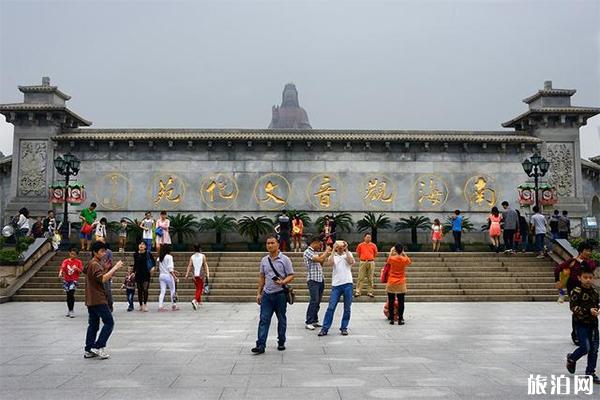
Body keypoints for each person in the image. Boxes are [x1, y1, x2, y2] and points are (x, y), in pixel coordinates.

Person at [252, 235, 294, 355]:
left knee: (281, 319)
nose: (269, 245)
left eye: (272, 243)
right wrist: (258, 293)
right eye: (268, 243)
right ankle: (260, 344)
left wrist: (283, 282)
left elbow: (291, 274)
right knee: (264, 319)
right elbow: (262, 277)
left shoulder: (285, 259)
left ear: (278, 244)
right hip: (267, 295)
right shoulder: (264, 260)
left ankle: (281, 341)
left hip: (280, 294)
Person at [84, 241, 123, 359]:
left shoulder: (92, 263)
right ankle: (98, 346)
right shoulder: (95, 264)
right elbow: (102, 279)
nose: (104, 253)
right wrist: (115, 267)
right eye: (101, 251)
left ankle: (89, 349)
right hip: (98, 299)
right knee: (109, 322)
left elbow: (96, 277)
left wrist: (105, 269)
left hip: (91, 299)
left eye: (104, 251)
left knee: (93, 325)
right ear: (94, 252)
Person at [555, 240, 598, 345]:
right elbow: (558, 269)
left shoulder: (589, 262)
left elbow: (591, 267)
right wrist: (557, 281)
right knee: (576, 311)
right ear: (580, 251)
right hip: (574, 290)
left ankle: (586, 333)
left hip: (587, 290)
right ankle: (576, 335)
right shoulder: (572, 261)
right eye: (586, 250)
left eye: (590, 251)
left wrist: (581, 262)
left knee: (587, 309)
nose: (589, 253)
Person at [566, 263, 600, 384]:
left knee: (594, 349)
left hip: (593, 324)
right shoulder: (576, 291)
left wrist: (597, 310)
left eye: (590, 277)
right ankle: (572, 358)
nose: (588, 280)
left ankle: (590, 372)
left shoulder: (595, 291)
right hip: (580, 323)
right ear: (579, 278)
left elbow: (597, 304)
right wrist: (588, 311)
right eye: (585, 277)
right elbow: (573, 307)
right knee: (585, 347)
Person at [318, 240, 355, 336]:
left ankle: (344, 327)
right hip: (336, 285)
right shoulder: (333, 256)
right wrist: (333, 249)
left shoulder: (348, 254)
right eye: (338, 246)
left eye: (342, 246)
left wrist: (346, 250)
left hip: (348, 283)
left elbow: (351, 262)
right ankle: (325, 328)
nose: (340, 248)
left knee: (347, 308)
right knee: (331, 307)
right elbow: (330, 263)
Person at [303, 236, 331, 330]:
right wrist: (326, 251)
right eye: (319, 244)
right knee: (314, 300)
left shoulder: (315, 252)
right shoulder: (308, 252)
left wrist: (323, 256)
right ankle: (309, 321)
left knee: (318, 301)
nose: (320, 245)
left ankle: (314, 320)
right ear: (314, 242)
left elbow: (321, 262)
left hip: (320, 279)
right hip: (313, 280)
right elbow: (319, 260)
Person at [386, 243, 412, 325]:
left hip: (392, 281)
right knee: (401, 301)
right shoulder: (404, 259)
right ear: (402, 250)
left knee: (391, 301)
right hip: (401, 281)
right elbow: (409, 261)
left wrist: (391, 251)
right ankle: (400, 319)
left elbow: (388, 260)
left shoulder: (392, 258)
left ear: (395, 250)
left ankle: (392, 319)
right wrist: (404, 253)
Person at [58, 246, 83, 318]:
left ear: (77, 255)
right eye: (71, 254)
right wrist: (60, 273)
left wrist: (76, 268)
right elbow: (62, 268)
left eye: (74, 254)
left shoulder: (78, 262)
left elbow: (81, 271)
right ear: (69, 253)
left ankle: (71, 310)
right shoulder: (65, 261)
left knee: (71, 294)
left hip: (74, 280)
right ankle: (69, 309)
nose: (73, 255)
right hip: (66, 280)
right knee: (68, 295)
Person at [185, 244, 209, 310]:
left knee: (197, 288)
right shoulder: (203, 256)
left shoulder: (192, 256)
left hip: (194, 275)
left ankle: (199, 301)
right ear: (200, 248)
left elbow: (189, 266)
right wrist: (207, 274)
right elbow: (205, 265)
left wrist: (187, 274)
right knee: (200, 289)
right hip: (200, 275)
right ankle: (195, 300)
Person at [355, 233, 378, 298]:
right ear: (364, 238)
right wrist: (363, 258)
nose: (368, 238)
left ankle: (370, 292)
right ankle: (358, 291)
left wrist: (370, 258)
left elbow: (375, 253)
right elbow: (358, 253)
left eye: (369, 237)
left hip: (371, 262)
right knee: (360, 277)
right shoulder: (360, 245)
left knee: (370, 278)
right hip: (363, 262)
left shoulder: (373, 245)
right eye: (367, 237)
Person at [133, 241, 153, 312]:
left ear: (145, 246)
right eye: (140, 244)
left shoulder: (148, 254)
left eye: (143, 244)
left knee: (145, 289)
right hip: (138, 274)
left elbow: (153, 263)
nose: (141, 245)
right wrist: (133, 272)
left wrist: (152, 269)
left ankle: (145, 304)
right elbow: (135, 264)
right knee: (139, 290)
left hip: (146, 273)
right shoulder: (135, 254)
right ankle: (140, 305)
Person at [157, 245, 178, 311]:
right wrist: (175, 277)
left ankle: (160, 306)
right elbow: (169, 268)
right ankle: (174, 305)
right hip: (168, 275)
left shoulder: (159, 257)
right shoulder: (169, 257)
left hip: (161, 275)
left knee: (162, 291)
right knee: (172, 290)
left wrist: (173, 271)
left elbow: (159, 268)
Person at [101, 245, 114, 312]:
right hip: (98, 273)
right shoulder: (96, 251)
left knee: (107, 290)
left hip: (106, 274)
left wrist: (108, 272)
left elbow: (110, 263)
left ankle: (110, 304)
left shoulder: (108, 252)